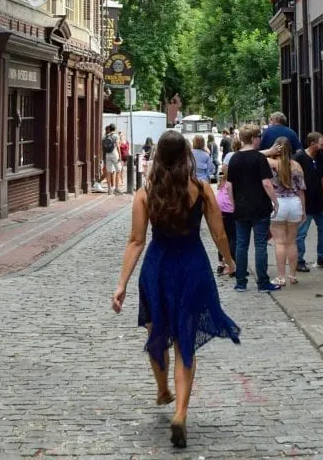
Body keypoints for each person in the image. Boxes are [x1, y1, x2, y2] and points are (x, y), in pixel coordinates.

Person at [112, 130, 239, 450]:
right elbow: (219, 233)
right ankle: (180, 413)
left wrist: (121, 284)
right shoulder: (201, 190)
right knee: (186, 343)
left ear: (157, 158)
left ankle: (161, 389)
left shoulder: (145, 194)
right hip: (193, 267)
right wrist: (229, 261)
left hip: (157, 269)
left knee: (157, 335)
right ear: (186, 156)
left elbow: (136, 241)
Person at [226, 123, 280, 292]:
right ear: (254, 138)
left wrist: (235, 204)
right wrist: (275, 202)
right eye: (259, 137)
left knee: (242, 245)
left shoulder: (234, 158)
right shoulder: (259, 159)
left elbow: (229, 186)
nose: (260, 140)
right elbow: (266, 183)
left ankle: (241, 281)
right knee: (260, 245)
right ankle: (262, 282)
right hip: (259, 206)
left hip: (241, 207)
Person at [294, 132, 323, 270]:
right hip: (305, 201)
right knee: (301, 232)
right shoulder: (299, 158)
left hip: (318, 200)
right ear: (312, 143)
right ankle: (299, 260)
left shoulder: (321, 158)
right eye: (322, 143)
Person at [265, 137, 306, 286]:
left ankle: (281, 277)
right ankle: (293, 275)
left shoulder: (271, 163)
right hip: (294, 203)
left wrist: (269, 151)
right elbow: (301, 190)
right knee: (291, 242)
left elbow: (253, 154)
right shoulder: (297, 166)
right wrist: (303, 210)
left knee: (280, 243)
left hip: (278, 204)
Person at [102, 124, 121, 195]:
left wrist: (104, 158)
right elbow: (118, 146)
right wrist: (120, 156)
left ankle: (109, 189)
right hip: (114, 154)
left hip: (107, 155)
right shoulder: (116, 136)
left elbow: (103, 148)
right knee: (118, 170)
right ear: (115, 128)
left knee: (108, 172)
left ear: (109, 129)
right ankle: (116, 188)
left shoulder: (105, 136)